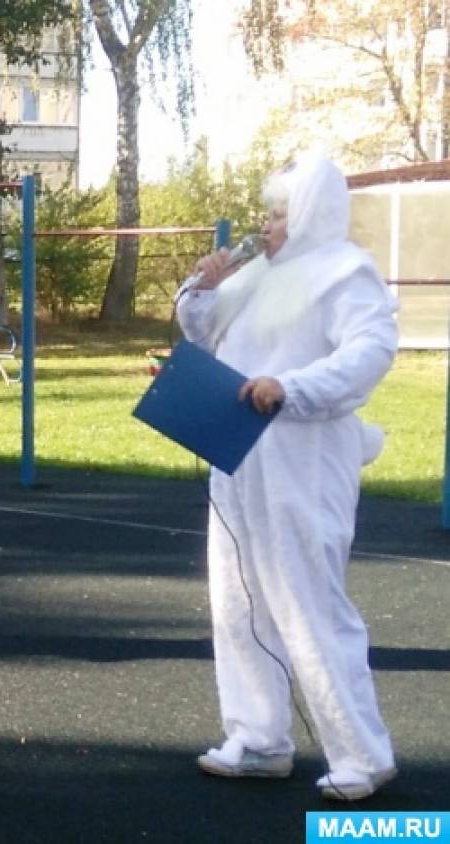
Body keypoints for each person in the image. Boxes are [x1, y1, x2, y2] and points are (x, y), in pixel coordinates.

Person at [176, 152, 398, 801]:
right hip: (239, 450)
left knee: (307, 600)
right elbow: (203, 332)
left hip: (302, 457)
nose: (266, 226)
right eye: (267, 213)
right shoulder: (259, 278)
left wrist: (291, 387)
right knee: (238, 596)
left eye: (278, 214)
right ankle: (258, 736)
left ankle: (360, 754)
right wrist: (204, 286)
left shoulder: (343, 272)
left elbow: (369, 351)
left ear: (306, 217)